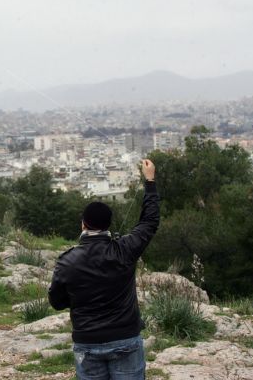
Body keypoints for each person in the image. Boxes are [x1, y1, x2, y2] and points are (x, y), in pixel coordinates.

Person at [48, 159, 159, 380]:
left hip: (87, 341)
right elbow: (149, 222)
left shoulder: (67, 261)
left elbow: (57, 302)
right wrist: (150, 181)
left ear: (83, 224)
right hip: (125, 337)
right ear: (108, 225)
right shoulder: (125, 250)